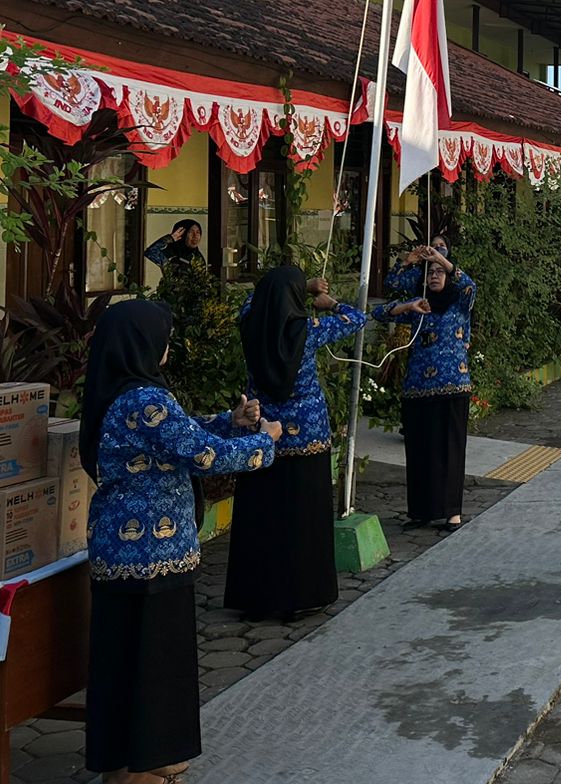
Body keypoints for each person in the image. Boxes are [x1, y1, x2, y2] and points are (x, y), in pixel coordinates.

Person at [82, 300, 280, 784]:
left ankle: (146, 756)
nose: (167, 344)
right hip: (150, 554)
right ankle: (138, 768)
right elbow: (204, 456)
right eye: (162, 335)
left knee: (138, 656)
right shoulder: (142, 399)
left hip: (132, 552)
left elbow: (181, 436)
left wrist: (230, 421)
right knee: (150, 659)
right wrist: (264, 441)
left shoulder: (122, 391)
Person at [225, 265, 366, 620]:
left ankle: (256, 599)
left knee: (260, 518)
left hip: (260, 433)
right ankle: (300, 596)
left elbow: (253, 300)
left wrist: (297, 288)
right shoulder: (309, 329)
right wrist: (326, 301)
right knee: (302, 520)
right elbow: (356, 318)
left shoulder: (249, 324)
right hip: (307, 437)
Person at [373, 245, 475, 533]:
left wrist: (441, 259)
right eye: (430, 272)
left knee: (450, 451)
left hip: (454, 386)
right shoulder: (419, 305)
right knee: (419, 452)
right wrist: (408, 300)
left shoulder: (459, 302)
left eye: (440, 272)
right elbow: (381, 310)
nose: (434, 276)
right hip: (417, 387)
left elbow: (469, 285)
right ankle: (421, 511)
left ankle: (452, 513)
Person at [384, 233, 453, 296]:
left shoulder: (452, 271)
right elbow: (390, 283)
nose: (438, 248)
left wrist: (441, 260)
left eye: (442, 245)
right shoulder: (420, 272)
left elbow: (463, 285)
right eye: (433, 246)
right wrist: (406, 261)